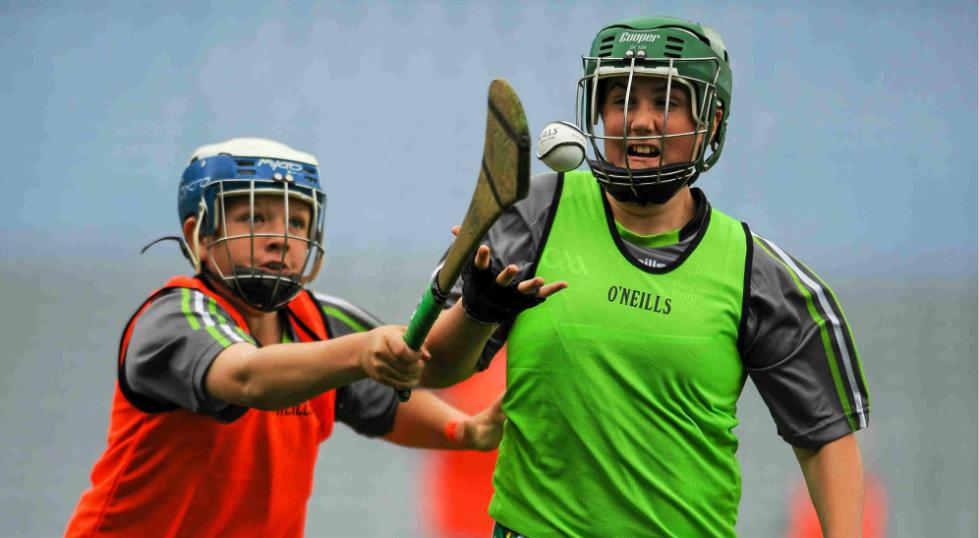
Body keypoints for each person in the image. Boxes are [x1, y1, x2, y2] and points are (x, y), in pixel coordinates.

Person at [420, 16, 871, 538]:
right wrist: (476, 312)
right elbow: (428, 369)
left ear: (711, 120)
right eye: (622, 101)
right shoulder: (532, 214)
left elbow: (824, 439)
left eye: (666, 102)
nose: (641, 121)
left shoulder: (757, 274)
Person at [64, 137, 506, 537]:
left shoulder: (319, 321)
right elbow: (247, 378)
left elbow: (423, 372)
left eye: (297, 222)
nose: (280, 238)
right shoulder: (175, 318)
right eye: (253, 216)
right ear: (198, 235)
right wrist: (361, 352)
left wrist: (477, 315)